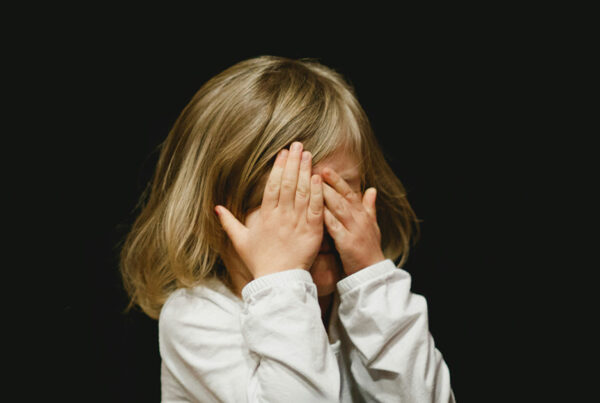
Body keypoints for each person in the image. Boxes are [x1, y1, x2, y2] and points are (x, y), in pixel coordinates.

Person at [119, 55, 456, 402]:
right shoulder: (195, 318)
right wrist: (282, 280)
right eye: (290, 200)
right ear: (217, 215)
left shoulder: (368, 306)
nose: (317, 221)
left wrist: (372, 279)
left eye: (338, 191)